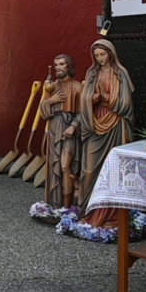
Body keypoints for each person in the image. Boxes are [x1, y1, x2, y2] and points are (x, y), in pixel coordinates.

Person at [79, 38, 135, 227]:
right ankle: (89, 209)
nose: (100, 58)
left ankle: (112, 215)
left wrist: (107, 98)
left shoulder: (121, 74)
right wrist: (92, 99)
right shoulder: (92, 73)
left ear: (111, 54)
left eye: (103, 54)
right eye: (96, 56)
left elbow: (126, 103)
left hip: (115, 122)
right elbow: (84, 98)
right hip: (95, 121)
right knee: (89, 169)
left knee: (114, 169)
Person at [40, 54, 81, 209]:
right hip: (54, 128)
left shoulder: (77, 87)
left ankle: (68, 205)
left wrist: (73, 126)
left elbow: (84, 113)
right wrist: (51, 100)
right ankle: (55, 204)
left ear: (68, 67)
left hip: (69, 129)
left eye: (62, 64)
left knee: (65, 167)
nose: (58, 67)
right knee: (54, 167)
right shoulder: (51, 87)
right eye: (56, 65)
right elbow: (43, 112)